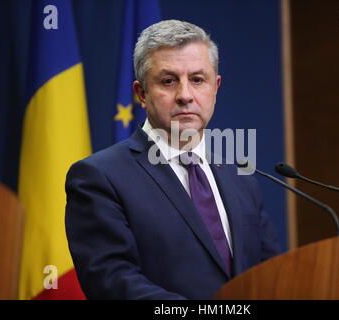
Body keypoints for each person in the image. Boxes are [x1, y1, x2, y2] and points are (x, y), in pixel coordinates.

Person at [65, 20, 280, 300]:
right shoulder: (99, 177)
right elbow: (112, 281)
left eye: (197, 80)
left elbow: (271, 272)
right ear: (141, 94)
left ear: (215, 88)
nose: (185, 96)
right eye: (168, 81)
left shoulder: (240, 178)